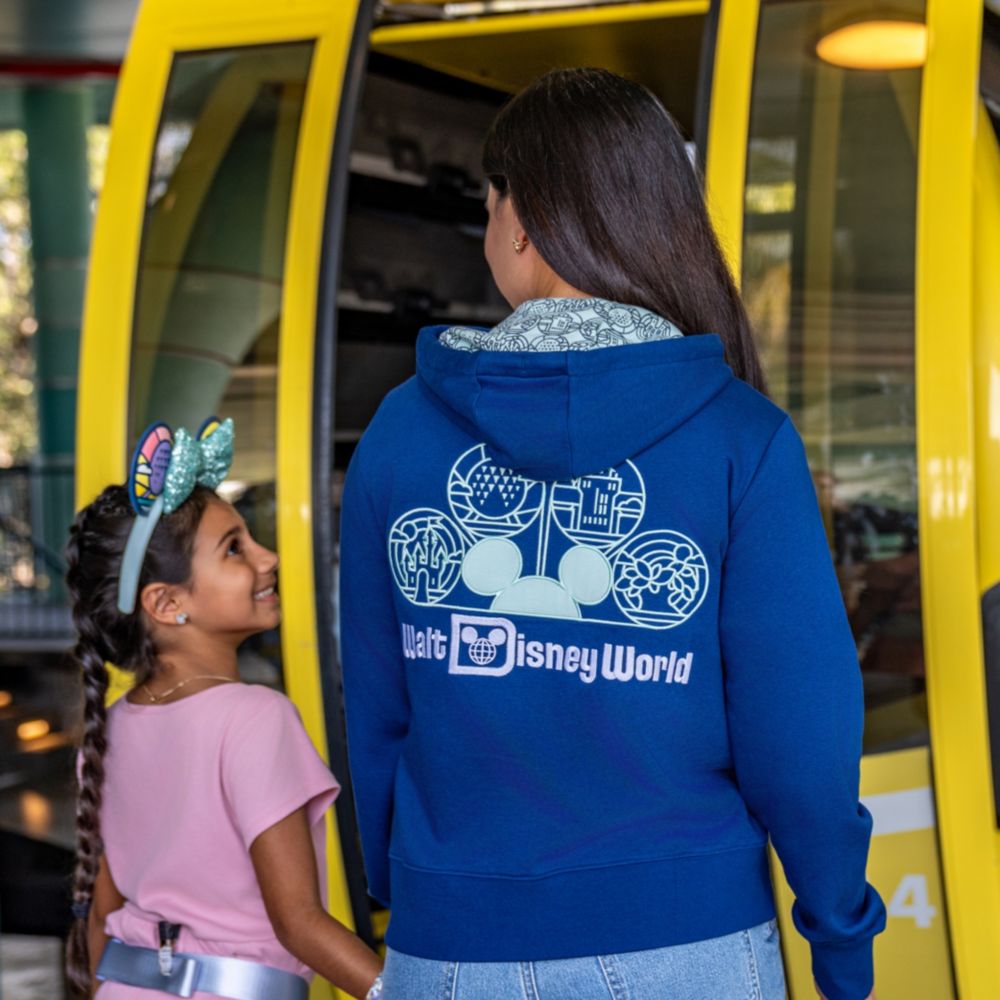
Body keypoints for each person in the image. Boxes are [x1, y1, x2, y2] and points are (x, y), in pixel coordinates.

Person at [339, 68, 884, 1000]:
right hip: (687, 940)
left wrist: (411, 887)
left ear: (519, 219)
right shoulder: (739, 438)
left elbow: (378, 704)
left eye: (488, 203)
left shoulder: (400, 431)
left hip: (448, 943)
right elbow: (798, 732)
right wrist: (839, 932)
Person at [65, 417, 383, 1000]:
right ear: (167, 603)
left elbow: (101, 917)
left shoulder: (108, 733)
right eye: (234, 548)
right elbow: (300, 924)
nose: (268, 558)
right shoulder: (255, 718)